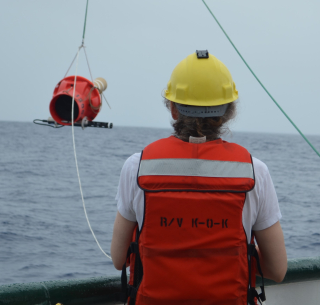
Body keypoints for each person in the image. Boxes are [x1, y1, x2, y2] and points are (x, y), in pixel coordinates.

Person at [110, 50, 287, 304]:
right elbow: (277, 269)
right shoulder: (254, 171)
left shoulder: (136, 168)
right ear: (229, 112)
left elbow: (118, 259)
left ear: (173, 109)